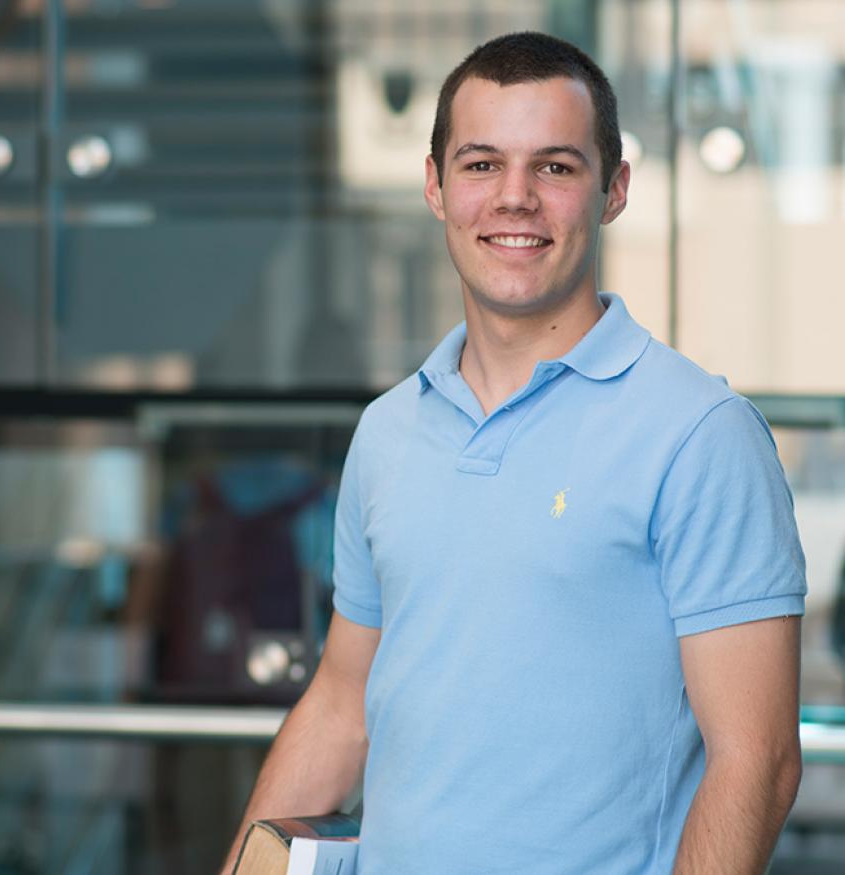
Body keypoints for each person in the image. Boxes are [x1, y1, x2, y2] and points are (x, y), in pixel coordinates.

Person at [221, 30, 806, 875]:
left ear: (613, 191)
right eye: (482, 164)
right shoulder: (387, 431)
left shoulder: (700, 433)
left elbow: (758, 760)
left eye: (556, 167)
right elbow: (343, 704)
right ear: (436, 186)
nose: (515, 199)